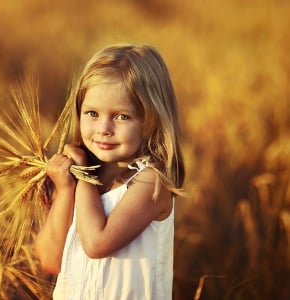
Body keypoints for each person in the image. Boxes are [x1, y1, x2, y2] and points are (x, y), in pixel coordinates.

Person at [35, 43, 185, 300]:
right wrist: (65, 188)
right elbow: (51, 260)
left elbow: (96, 243)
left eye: (121, 116)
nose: (104, 128)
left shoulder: (151, 182)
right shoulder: (75, 178)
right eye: (92, 113)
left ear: (151, 121)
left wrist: (83, 177)